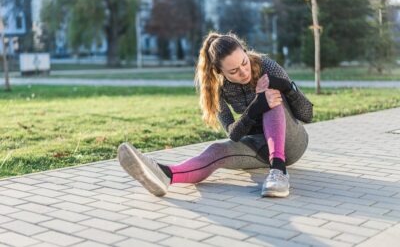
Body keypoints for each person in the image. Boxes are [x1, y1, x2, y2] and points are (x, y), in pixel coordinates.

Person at [117, 32, 313, 198]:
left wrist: (288, 87)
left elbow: (307, 114)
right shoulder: (217, 88)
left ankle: (279, 172)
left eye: (244, 63)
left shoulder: (265, 66)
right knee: (216, 149)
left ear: (245, 52)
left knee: (271, 96)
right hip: (259, 148)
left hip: (293, 142)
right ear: (219, 71)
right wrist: (255, 107)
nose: (244, 72)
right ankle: (165, 174)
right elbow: (233, 134)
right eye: (234, 71)